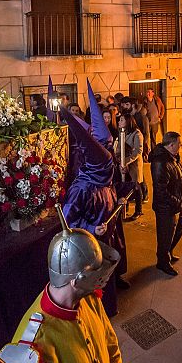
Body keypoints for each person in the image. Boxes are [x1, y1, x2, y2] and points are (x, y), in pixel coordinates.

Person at [0, 206, 125, 363]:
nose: (101, 278)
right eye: (95, 272)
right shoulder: (37, 344)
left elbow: (110, 345)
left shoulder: (89, 298)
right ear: (75, 280)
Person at [60, 109, 128, 316]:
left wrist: (119, 198)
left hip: (109, 235)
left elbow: (110, 195)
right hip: (91, 245)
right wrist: (92, 229)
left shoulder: (104, 180)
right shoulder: (81, 188)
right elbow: (67, 223)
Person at [150, 131, 182, 276]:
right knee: (165, 235)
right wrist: (176, 202)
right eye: (179, 143)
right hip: (166, 207)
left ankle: (169, 253)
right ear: (171, 145)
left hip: (177, 204)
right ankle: (163, 262)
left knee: (179, 228)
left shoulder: (173, 157)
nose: (181, 145)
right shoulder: (160, 162)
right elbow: (161, 190)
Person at [115, 114, 145, 221]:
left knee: (136, 186)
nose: (119, 122)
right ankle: (125, 208)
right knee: (125, 185)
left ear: (128, 121)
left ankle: (138, 210)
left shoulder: (137, 134)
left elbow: (138, 151)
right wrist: (118, 158)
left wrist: (126, 161)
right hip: (123, 164)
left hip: (133, 165)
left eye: (121, 120)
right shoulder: (122, 132)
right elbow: (119, 147)